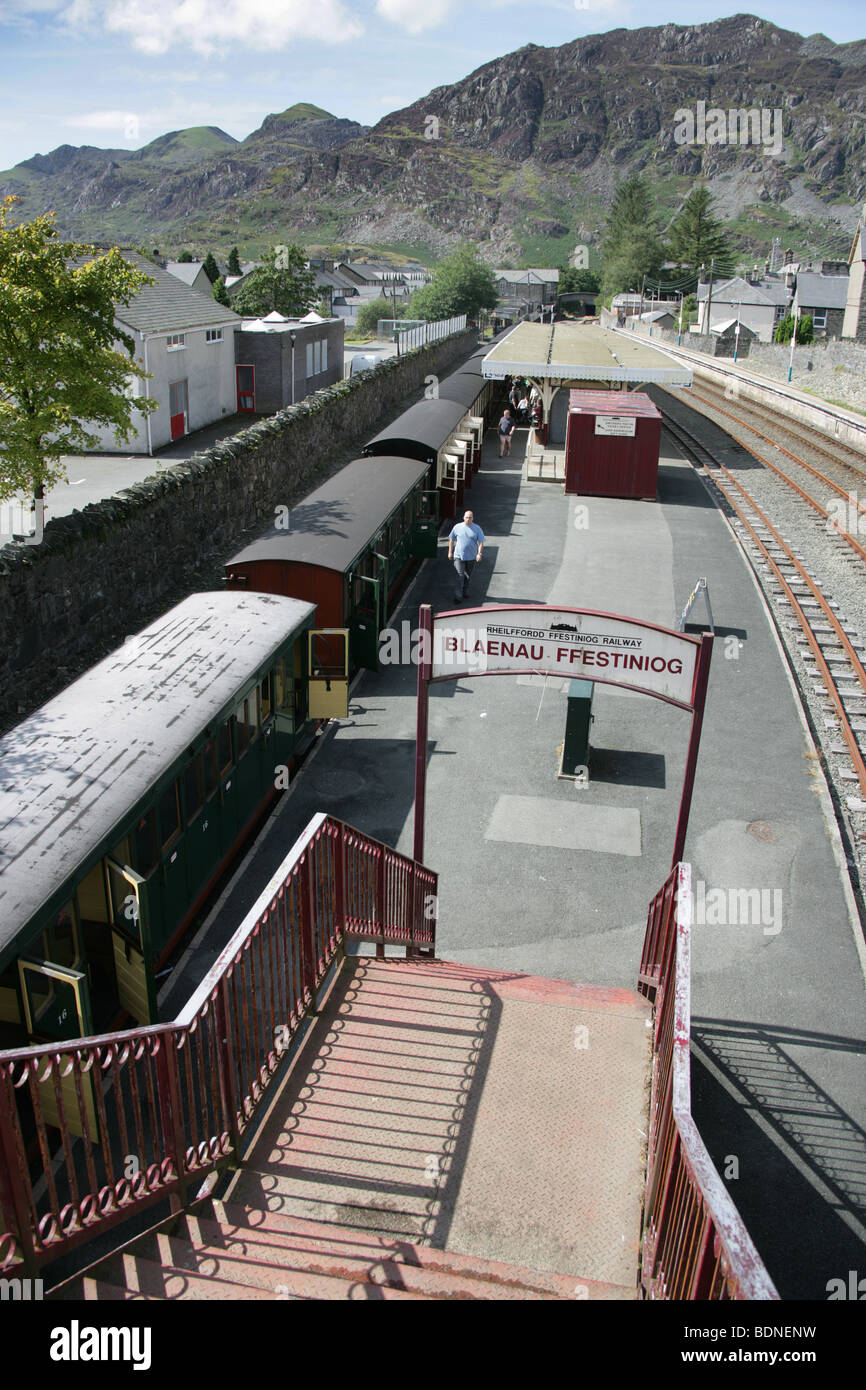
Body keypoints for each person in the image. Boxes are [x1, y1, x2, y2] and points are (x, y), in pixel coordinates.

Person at [447, 510, 485, 604]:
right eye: (467, 517)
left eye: (470, 517)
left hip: (471, 557)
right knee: (460, 575)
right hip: (458, 556)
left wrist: (479, 554)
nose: (468, 519)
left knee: (467, 576)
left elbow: (481, 542)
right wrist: (450, 552)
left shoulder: (477, 528)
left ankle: (465, 591)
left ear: (473, 518)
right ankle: (458, 596)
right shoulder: (457, 527)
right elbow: (451, 540)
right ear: (463, 517)